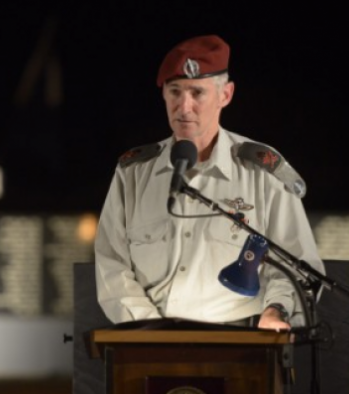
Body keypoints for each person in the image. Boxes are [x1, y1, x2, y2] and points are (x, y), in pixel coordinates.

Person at [94, 34, 324, 331]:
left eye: (197, 93)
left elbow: (298, 264)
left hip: (240, 339)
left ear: (225, 95)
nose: (184, 106)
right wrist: (152, 332)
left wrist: (276, 311)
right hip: (149, 339)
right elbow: (111, 263)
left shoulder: (261, 171)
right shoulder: (134, 172)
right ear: (163, 95)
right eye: (175, 92)